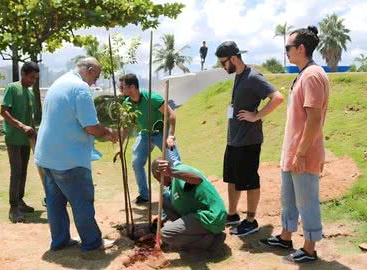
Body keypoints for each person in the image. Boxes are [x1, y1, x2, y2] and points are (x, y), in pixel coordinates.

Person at [260, 26, 329, 264]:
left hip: (304, 153)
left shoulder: (312, 75)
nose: (286, 52)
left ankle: (309, 248)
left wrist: (300, 154)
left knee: (306, 200)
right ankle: (285, 236)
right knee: (288, 198)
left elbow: (314, 119)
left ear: (301, 49)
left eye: (288, 48)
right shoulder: (303, 74)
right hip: (293, 152)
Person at [35, 57, 118, 252]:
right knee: (81, 201)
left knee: (55, 202)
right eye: (95, 76)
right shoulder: (80, 88)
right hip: (68, 159)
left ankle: (60, 240)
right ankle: (92, 242)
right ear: (88, 70)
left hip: (46, 156)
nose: (95, 82)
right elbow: (90, 126)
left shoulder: (59, 82)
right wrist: (108, 132)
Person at [215, 41, 284, 236]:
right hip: (234, 139)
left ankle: (251, 220)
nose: (222, 66)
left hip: (248, 140)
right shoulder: (238, 76)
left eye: (223, 62)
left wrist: (257, 115)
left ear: (234, 59)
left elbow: (277, 98)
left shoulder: (253, 77)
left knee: (250, 181)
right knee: (231, 179)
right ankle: (233, 214)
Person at [119, 73, 181, 204]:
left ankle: (179, 194)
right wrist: (120, 145)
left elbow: (171, 115)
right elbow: (126, 126)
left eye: (123, 86)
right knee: (136, 163)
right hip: (145, 135)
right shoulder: (127, 103)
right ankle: (144, 195)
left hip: (161, 133)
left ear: (132, 87)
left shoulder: (152, 98)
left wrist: (170, 136)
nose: (120, 89)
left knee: (175, 163)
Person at [151, 158, 227, 251]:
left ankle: (212, 241)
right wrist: (163, 218)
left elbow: (197, 180)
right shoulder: (172, 185)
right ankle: (198, 236)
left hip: (210, 216)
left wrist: (172, 173)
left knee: (166, 234)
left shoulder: (181, 171)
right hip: (196, 215)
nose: (160, 183)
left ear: (161, 173)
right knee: (165, 199)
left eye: (158, 179)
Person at [0, 61, 39, 223]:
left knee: (23, 171)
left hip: (26, 140)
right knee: (16, 171)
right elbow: (4, 111)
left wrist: (34, 132)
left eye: (35, 79)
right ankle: (13, 207)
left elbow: (31, 117)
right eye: (31, 77)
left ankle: (20, 201)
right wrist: (21, 126)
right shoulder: (12, 88)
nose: (33, 81)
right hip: (14, 139)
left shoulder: (30, 93)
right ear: (23, 73)